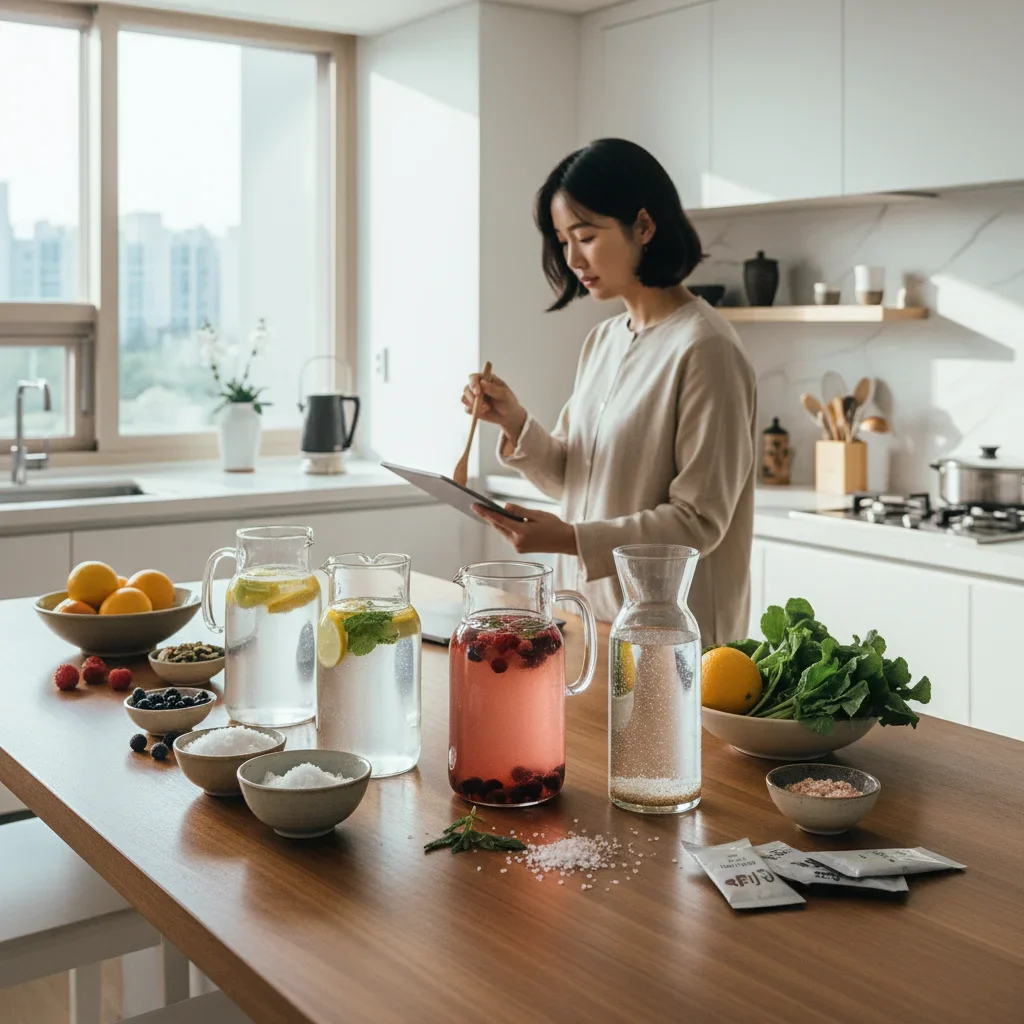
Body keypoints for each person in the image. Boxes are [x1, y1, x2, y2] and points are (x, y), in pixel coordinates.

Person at [463, 138, 756, 645]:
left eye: (586, 235)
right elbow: (575, 477)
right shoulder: (603, 339)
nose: (572, 257)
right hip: (597, 622)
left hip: (677, 640)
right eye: (562, 240)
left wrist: (572, 539)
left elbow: (698, 522)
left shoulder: (706, 349)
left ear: (643, 226)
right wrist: (514, 420)